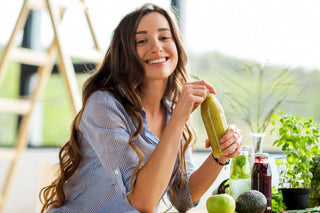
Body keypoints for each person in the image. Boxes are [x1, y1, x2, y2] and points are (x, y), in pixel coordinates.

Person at [40, 3, 243, 213]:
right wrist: (178, 118)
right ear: (125, 53)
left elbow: (183, 196)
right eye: (141, 41)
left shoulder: (173, 109)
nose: (156, 47)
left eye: (164, 37)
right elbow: (141, 202)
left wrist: (220, 155)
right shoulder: (104, 106)